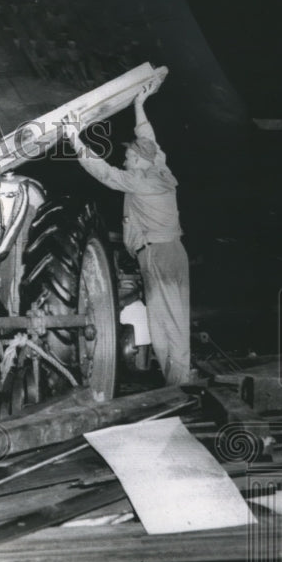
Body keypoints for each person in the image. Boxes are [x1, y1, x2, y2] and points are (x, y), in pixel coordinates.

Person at [60, 84, 194, 385]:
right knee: (162, 322)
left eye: (130, 157)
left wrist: (74, 139)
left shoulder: (141, 180)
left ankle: (181, 385)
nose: (126, 160)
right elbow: (148, 138)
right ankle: (175, 381)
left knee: (169, 323)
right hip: (165, 252)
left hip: (160, 255)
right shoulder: (159, 167)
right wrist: (139, 103)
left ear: (141, 163)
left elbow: (105, 173)